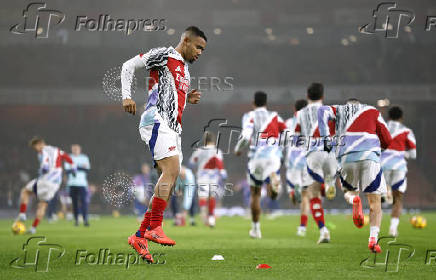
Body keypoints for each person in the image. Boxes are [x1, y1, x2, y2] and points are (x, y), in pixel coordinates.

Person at [121, 26, 207, 262]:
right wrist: (126, 96)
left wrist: (187, 97)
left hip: (173, 127)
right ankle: (154, 227)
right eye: (198, 47)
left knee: (171, 177)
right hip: (156, 120)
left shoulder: (185, 72)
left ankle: (140, 235)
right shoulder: (164, 55)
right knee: (172, 171)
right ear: (186, 40)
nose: (200, 52)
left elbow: (172, 95)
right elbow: (128, 66)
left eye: (203, 49)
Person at [318, 100, 392, 253]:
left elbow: (321, 111)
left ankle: (354, 200)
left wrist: (326, 139)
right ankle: (373, 239)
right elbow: (387, 139)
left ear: (348, 104)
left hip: (346, 158)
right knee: (375, 202)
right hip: (370, 158)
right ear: (360, 103)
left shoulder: (339, 110)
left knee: (348, 192)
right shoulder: (372, 111)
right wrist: (380, 148)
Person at [235, 91, 286, 239]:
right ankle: (274, 181)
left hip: (256, 158)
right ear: (266, 103)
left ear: (253, 103)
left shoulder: (249, 116)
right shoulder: (275, 116)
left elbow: (245, 136)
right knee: (272, 194)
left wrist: (238, 149)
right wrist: (280, 148)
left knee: (255, 194)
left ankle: (256, 229)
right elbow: (288, 133)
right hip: (273, 157)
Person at [294, 83, 337, 244]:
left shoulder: (300, 114)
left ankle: (323, 231)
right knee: (330, 180)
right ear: (323, 96)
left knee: (313, 193)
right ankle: (330, 183)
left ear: (307, 95)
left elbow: (296, 139)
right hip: (330, 152)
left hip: (314, 154)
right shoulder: (330, 111)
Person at [15, 137, 75, 234]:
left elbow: (45, 161)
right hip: (55, 185)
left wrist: (44, 168)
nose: (36, 149)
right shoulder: (57, 150)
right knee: (42, 205)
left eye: (36, 147)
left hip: (46, 180)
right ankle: (33, 228)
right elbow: (68, 158)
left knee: (25, 191)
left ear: (40, 143)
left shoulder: (43, 151)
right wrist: (73, 168)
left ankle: (22, 213)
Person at [381, 106, 416, 237]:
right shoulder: (407, 131)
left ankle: (385, 192)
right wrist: (401, 153)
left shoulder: (381, 129)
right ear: (401, 118)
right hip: (398, 167)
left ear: (388, 117)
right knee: (398, 199)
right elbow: (412, 154)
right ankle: (393, 228)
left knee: (378, 197)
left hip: (382, 166)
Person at [284, 99, 314, 237]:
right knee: (305, 195)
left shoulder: (288, 123)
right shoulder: (312, 123)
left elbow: (282, 141)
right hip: (307, 160)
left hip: (293, 160)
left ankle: (293, 192)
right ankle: (302, 227)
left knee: (295, 198)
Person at [189, 132, 227, 227]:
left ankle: (203, 215)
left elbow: (191, 163)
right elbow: (219, 164)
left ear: (204, 141)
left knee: (203, 197)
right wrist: (223, 173)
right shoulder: (217, 151)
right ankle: (211, 218)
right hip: (213, 177)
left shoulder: (199, 150)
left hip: (202, 176)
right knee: (212, 196)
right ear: (213, 140)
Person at [64, 144, 91, 226]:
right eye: (74, 149)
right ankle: (76, 220)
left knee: (84, 203)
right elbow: (67, 170)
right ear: (72, 149)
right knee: (74, 203)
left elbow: (87, 169)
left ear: (80, 150)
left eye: (77, 149)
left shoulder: (84, 157)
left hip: (82, 184)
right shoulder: (68, 157)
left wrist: (75, 167)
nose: (75, 150)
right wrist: (79, 167)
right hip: (72, 184)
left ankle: (85, 220)